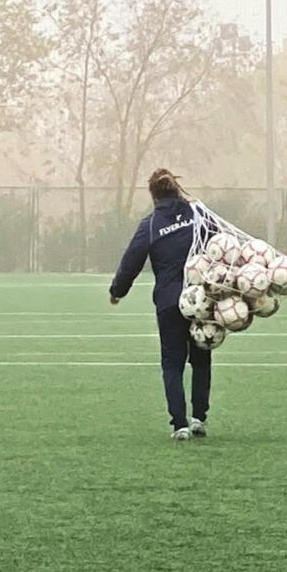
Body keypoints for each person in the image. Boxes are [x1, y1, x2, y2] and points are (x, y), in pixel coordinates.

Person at [109, 168, 211, 441]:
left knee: (172, 363)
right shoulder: (199, 214)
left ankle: (179, 425)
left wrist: (117, 291)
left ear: (153, 196)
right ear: (177, 189)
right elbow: (222, 243)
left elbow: (132, 260)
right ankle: (199, 418)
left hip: (169, 302)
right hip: (200, 299)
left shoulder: (151, 225)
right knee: (201, 358)